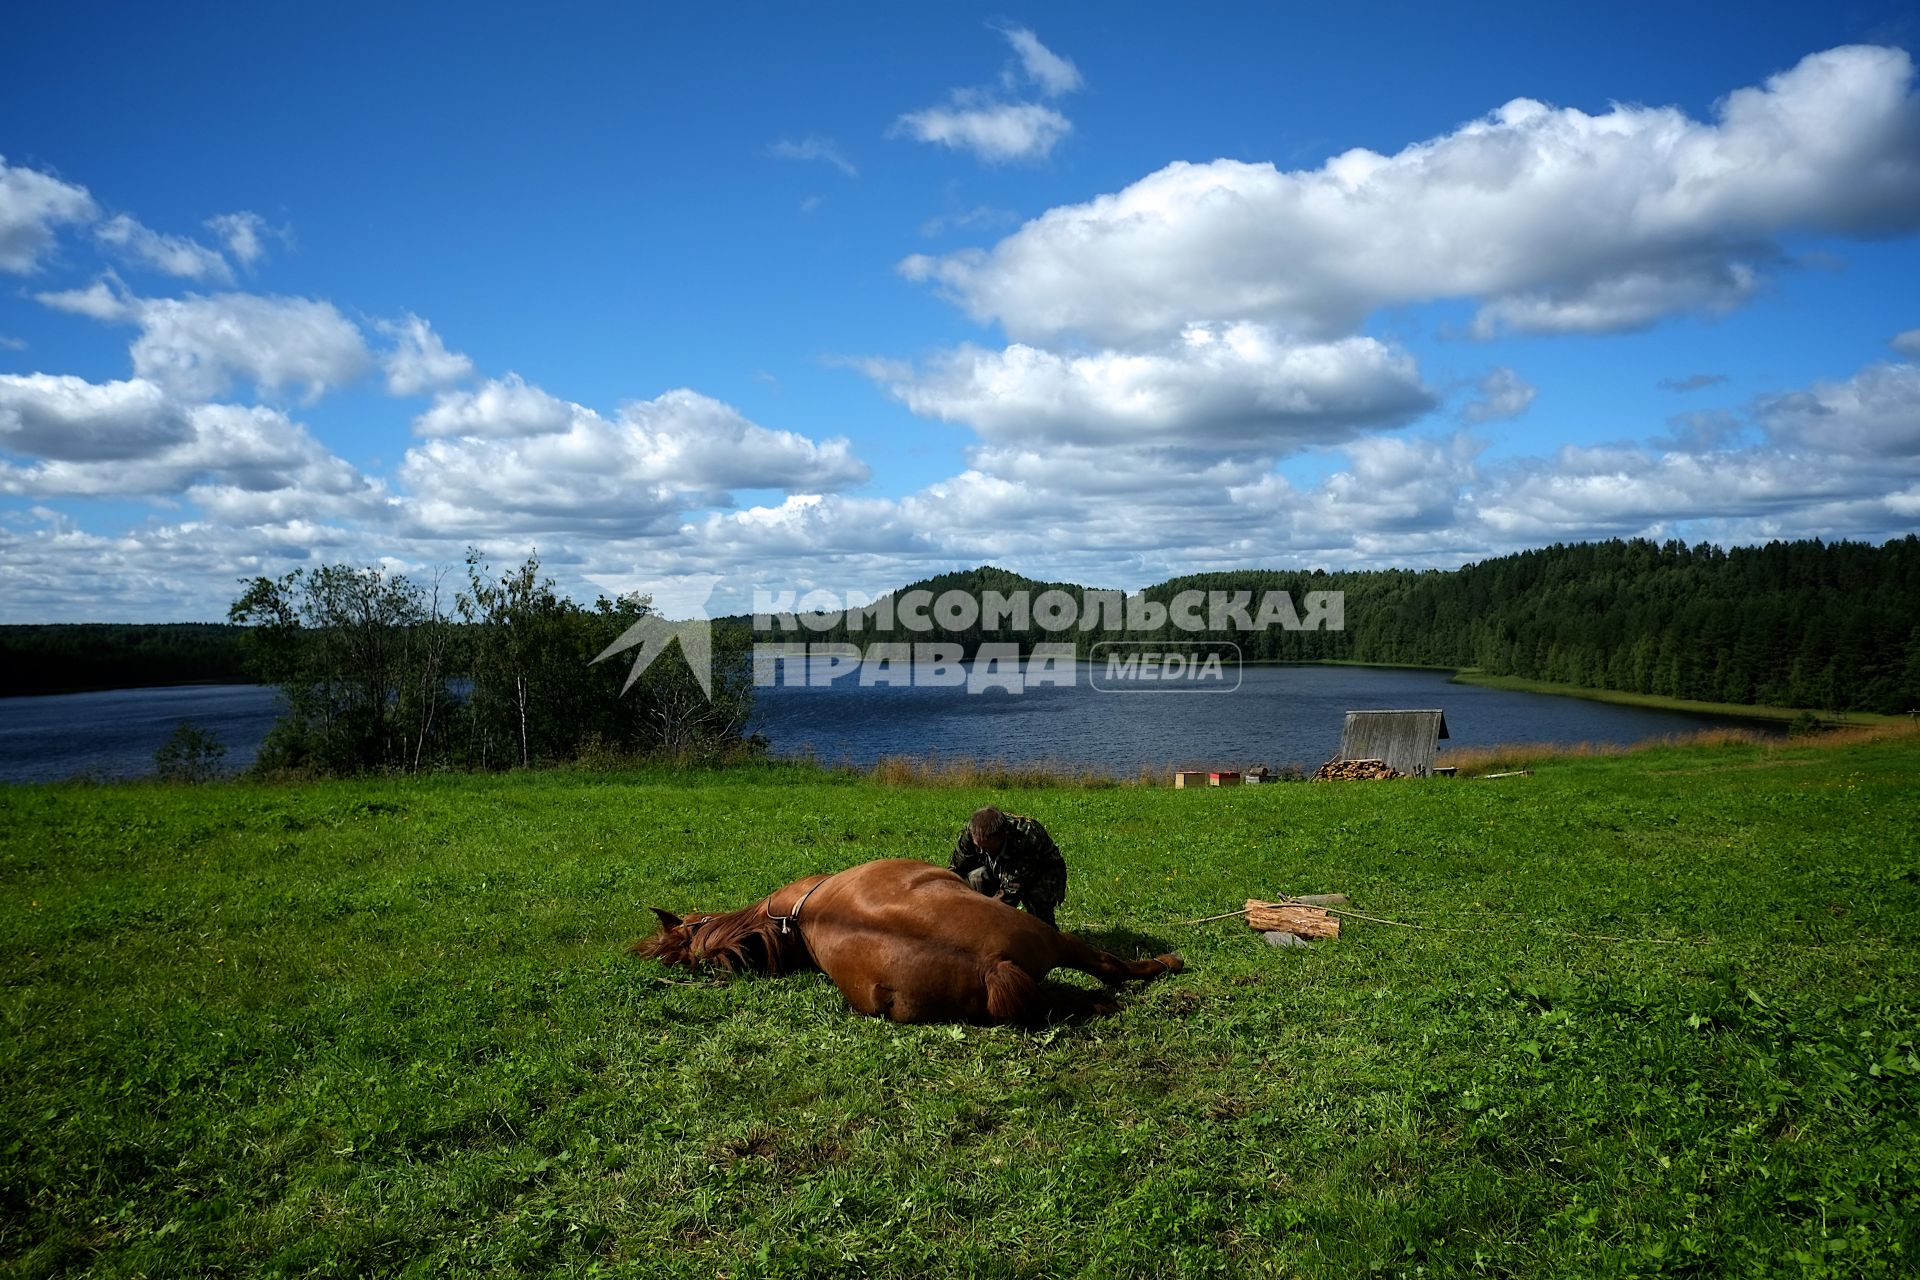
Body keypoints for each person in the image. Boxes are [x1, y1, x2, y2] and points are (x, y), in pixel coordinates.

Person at [949, 805, 1066, 927]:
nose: (981, 852)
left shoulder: (1026, 840)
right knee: (976, 878)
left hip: (1042, 872)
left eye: (987, 848)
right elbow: (955, 869)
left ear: (1002, 837)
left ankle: (1049, 937)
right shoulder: (974, 831)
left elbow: (1007, 899)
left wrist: (982, 922)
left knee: (1037, 901)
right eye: (977, 847)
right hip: (999, 866)